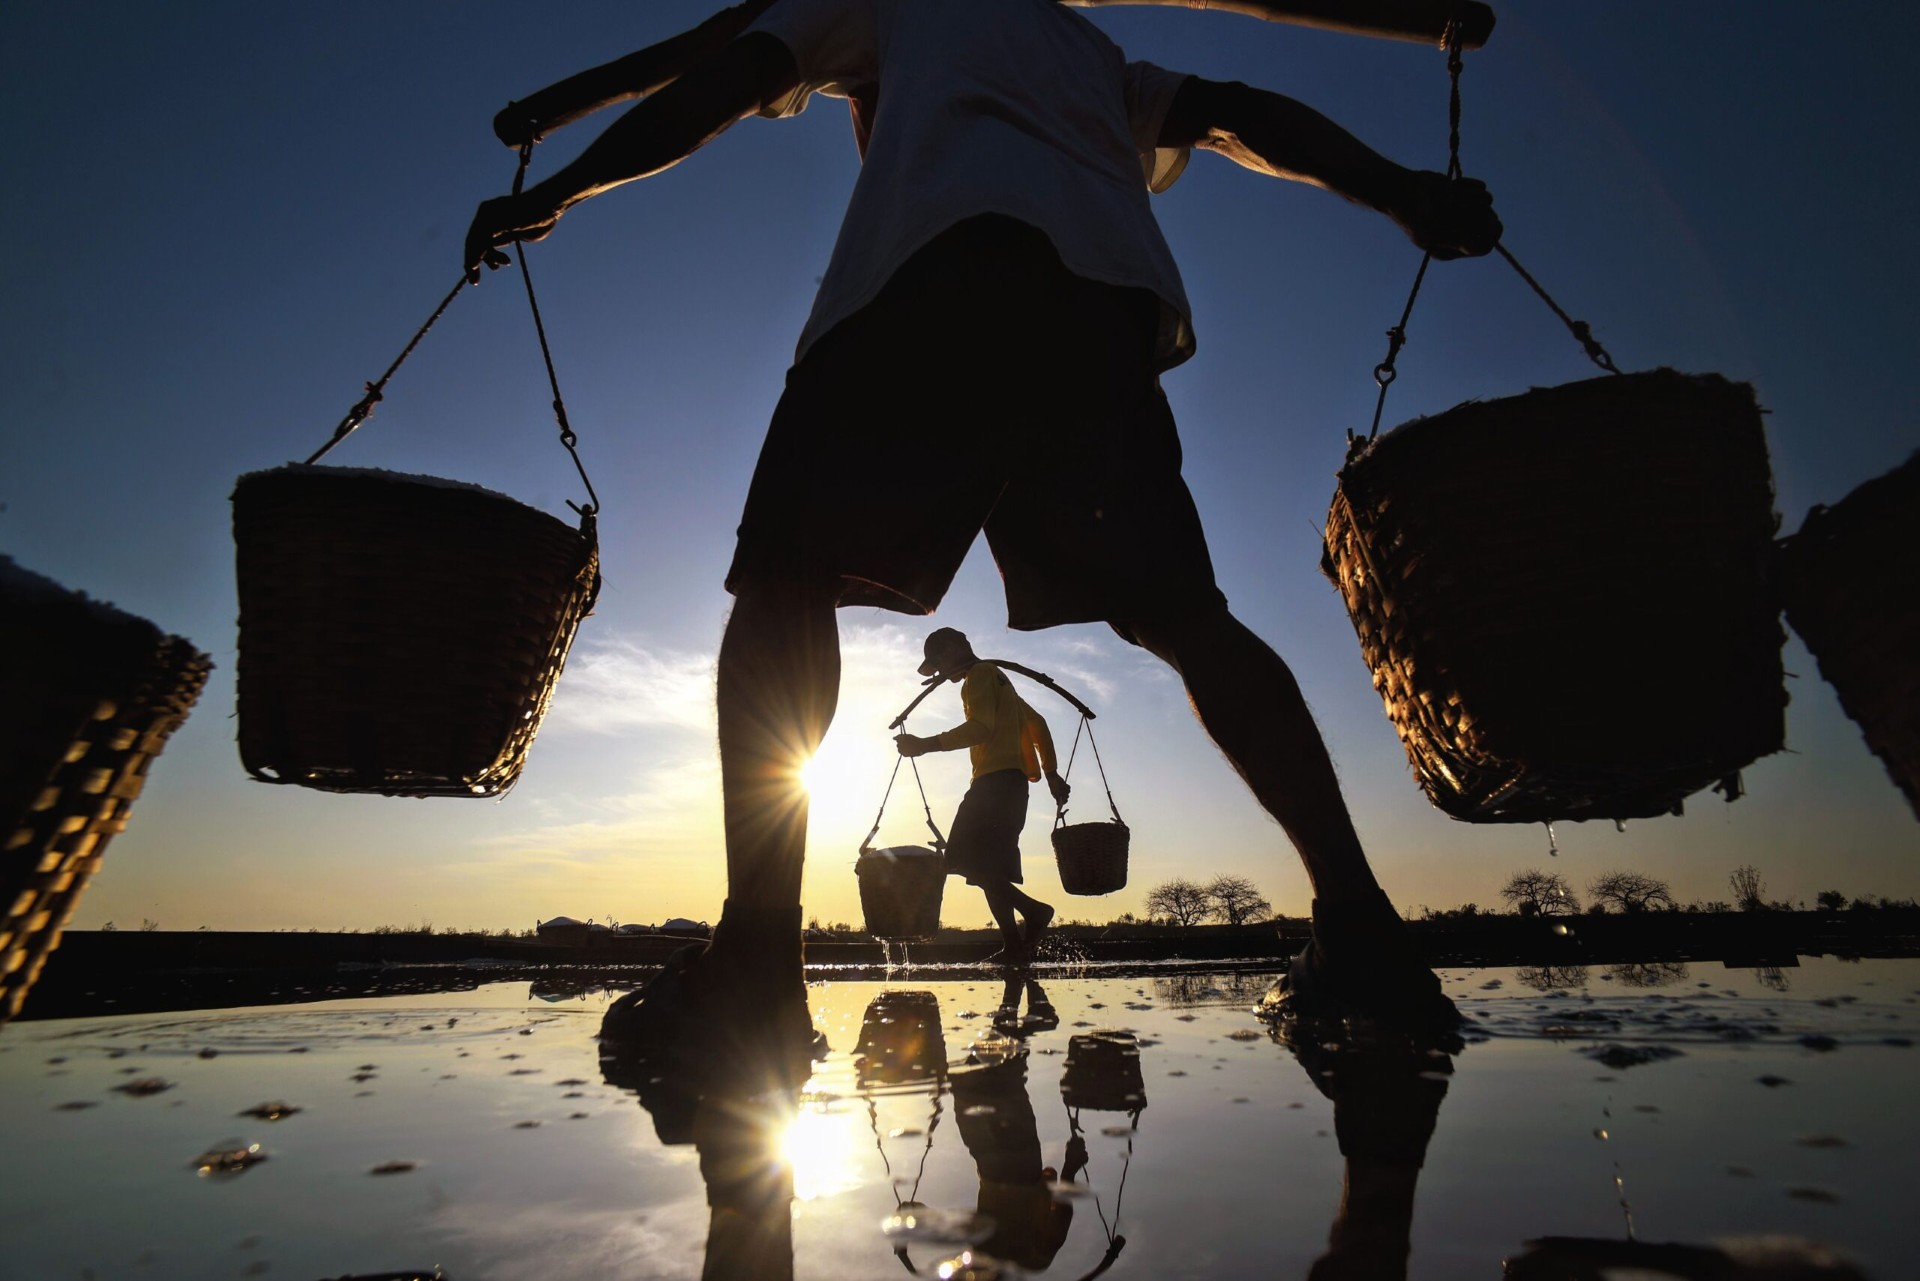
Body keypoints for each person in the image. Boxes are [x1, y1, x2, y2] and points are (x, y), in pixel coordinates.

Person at [466, 0, 1502, 1034]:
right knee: (1188, 616)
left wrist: (562, 188)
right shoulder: (1085, 49)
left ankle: (753, 963)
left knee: (787, 587)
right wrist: (1402, 192)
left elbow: (719, 80)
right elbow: (1236, 114)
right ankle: (1362, 928)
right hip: (1100, 321)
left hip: (928, 280)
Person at [895, 627, 1070, 966]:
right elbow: (1039, 724)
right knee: (991, 868)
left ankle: (1035, 912)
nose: (942, 677)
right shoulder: (1000, 681)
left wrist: (925, 745)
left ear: (953, 650)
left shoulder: (979, 675)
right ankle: (1014, 947)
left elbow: (981, 728)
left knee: (960, 858)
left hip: (993, 785)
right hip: (1013, 787)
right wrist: (1050, 773)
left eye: (939, 665)